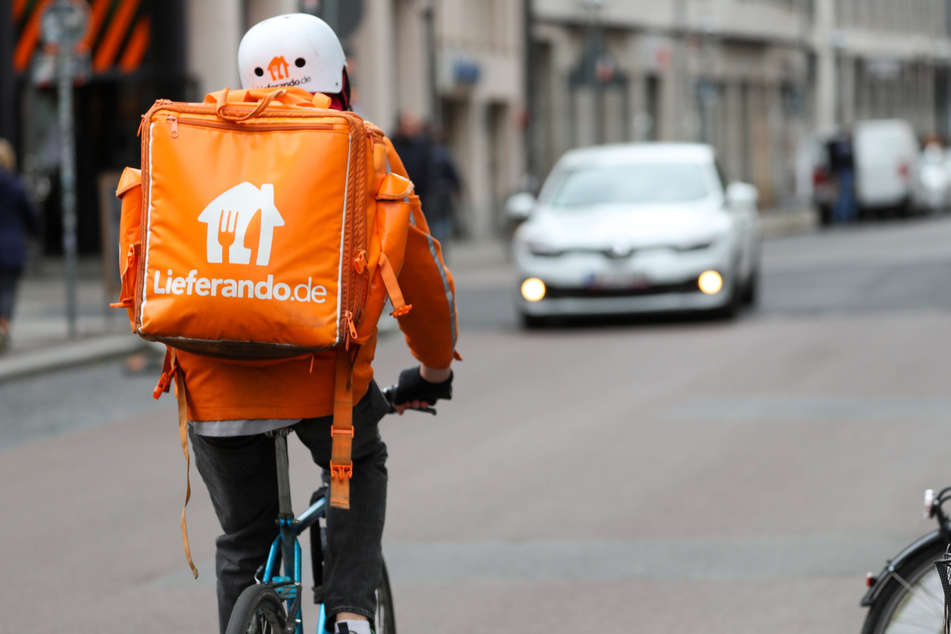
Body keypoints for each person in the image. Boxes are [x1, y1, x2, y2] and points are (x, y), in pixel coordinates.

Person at [185, 14, 458, 634]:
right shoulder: (363, 146)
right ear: (339, 78)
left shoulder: (197, 142)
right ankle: (354, 613)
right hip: (321, 383)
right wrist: (433, 369)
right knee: (361, 461)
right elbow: (420, 277)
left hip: (212, 382)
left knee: (243, 537)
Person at [0, 139, 38, 352]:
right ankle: (3, 325)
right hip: (11, 247)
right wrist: (35, 233)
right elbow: (30, 214)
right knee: (7, 290)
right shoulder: (16, 186)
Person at [829, 127, 857, 224]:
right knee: (844, 196)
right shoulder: (842, 147)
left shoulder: (841, 146)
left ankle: (845, 215)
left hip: (843, 172)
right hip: (844, 172)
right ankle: (842, 216)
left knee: (845, 196)